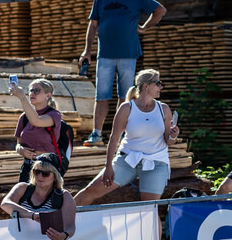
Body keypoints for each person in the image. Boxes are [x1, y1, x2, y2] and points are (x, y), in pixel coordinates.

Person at [79, 0, 167, 147]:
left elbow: (160, 10)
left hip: (128, 54)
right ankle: (96, 134)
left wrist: (144, 28)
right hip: (104, 55)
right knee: (101, 95)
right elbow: (93, 24)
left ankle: (118, 136)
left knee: (125, 96)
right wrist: (87, 50)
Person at [75, 69, 181, 206]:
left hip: (155, 162)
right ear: (146, 86)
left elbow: (168, 142)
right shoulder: (127, 108)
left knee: (149, 207)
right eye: (158, 83)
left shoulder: (164, 109)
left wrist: (173, 136)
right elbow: (114, 139)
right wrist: (108, 166)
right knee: (90, 191)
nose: (161, 87)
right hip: (127, 159)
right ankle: (60, 221)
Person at [10, 79, 64, 182]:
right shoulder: (24, 117)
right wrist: (21, 150)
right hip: (28, 166)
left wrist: (22, 97)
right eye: (31, 90)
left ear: (48, 95)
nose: (32, 93)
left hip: (47, 168)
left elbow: (36, 121)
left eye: (37, 90)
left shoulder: (54, 115)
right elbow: (18, 144)